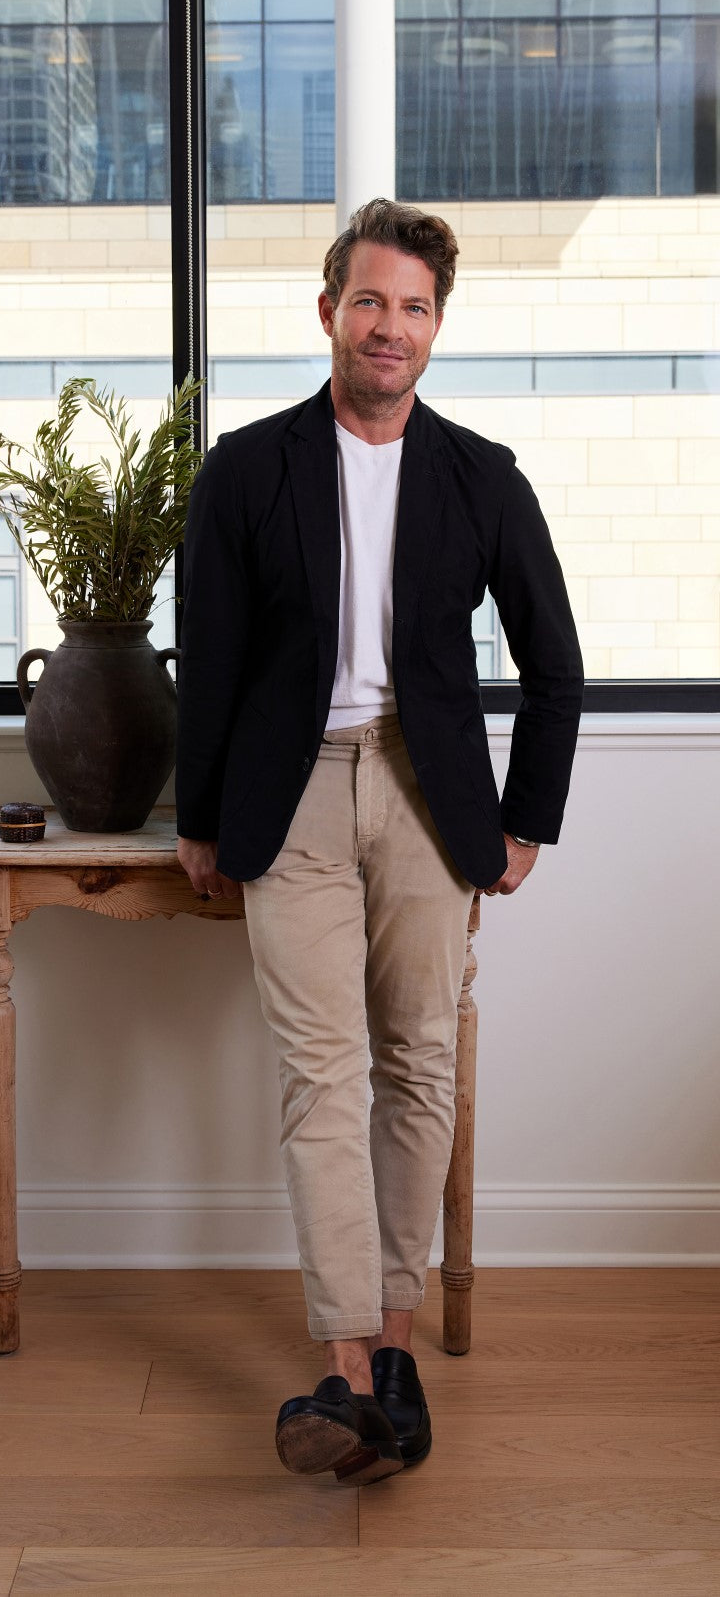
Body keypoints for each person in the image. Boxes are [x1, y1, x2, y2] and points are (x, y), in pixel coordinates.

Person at [175, 198, 584, 1486]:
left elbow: (555, 659)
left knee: (417, 1063)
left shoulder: (481, 476)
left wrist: (528, 819)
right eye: (370, 301)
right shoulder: (248, 468)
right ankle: (349, 1372)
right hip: (286, 793)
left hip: (427, 789)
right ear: (329, 313)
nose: (389, 326)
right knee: (319, 1071)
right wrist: (198, 816)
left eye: (413, 307)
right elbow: (212, 659)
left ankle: (395, 1351)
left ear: (436, 328)